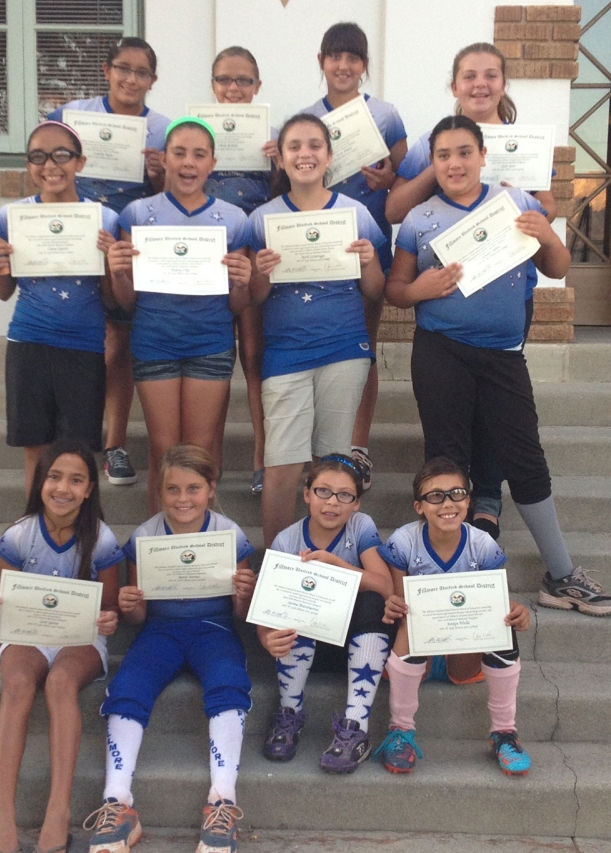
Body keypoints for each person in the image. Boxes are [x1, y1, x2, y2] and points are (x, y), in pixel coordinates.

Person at [385, 114, 611, 616]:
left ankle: (561, 574)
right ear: (433, 162)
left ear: (483, 156)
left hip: (504, 358)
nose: (454, 163)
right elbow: (395, 290)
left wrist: (548, 237)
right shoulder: (420, 219)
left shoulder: (517, 202)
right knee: (447, 460)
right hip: (441, 352)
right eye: (443, 155)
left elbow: (556, 268)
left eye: (464, 152)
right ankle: (449, 579)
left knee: (525, 458)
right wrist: (420, 289)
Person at [385, 42, 557, 537]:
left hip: (508, 289)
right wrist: (443, 166)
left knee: (496, 409)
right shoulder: (430, 144)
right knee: (456, 411)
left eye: (490, 75)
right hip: (450, 296)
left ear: (503, 83)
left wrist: (507, 195)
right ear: (454, 85)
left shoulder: (525, 139)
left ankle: (487, 498)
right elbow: (397, 209)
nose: (479, 84)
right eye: (468, 75)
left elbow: (546, 207)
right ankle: (460, 510)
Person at [82, 444, 256, 853]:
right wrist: (131, 605)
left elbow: (242, 613)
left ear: (211, 489)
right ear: (160, 492)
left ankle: (223, 801)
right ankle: (117, 801)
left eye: (193, 488)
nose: (183, 499)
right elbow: (138, 617)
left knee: (229, 683)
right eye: (173, 490)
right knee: (129, 687)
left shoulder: (229, 533)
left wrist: (243, 593)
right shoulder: (146, 535)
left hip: (214, 627)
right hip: (160, 630)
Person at [0, 440, 121, 853]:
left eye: (76, 480)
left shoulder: (102, 538)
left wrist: (110, 617)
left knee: (60, 684)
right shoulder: (20, 535)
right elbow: (9, 601)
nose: (63, 488)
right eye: (54, 477)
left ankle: (58, 811)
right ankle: (3, 815)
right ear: (40, 482)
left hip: (80, 639)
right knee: (19, 682)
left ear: (90, 489)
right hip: (29, 635)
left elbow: (110, 610)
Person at [249, 113, 385, 547]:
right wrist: (262, 273)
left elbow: (376, 289)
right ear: (281, 158)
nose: (304, 154)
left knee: (333, 468)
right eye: (294, 146)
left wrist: (368, 262)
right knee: (283, 465)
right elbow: (253, 299)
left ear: (328, 156)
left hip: (344, 349)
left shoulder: (355, 213)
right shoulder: (263, 219)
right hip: (286, 353)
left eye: (314, 146)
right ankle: (276, 563)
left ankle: (330, 565)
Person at [107, 117, 252, 511]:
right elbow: (127, 301)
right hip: (155, 342)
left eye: (199, 154)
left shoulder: (233, 218)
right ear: (164, 160)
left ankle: (202, 540)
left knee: (199, 452)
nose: (189, 163)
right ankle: (160, 547)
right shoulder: (137, 214)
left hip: (211, 342)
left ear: (212, 163)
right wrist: (118, 271)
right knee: (164, 451)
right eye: (180, 153)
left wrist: (242, 282)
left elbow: (237, 305)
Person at [48, 37, 171, 486]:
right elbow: (47, 161)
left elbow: (169, 200)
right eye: (123, 68)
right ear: (107, 70)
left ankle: (114, 445)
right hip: (74, 242)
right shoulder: (72, 118)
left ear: (152, 80)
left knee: (118, 347)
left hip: (126, 247)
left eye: (141, 73)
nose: (131, 79)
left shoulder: (162, 129)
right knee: (83, 344)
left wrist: (159, 177)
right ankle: (74, 440)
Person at [375, 457, 532, 776]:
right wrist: (391, 604)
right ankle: (400, 730)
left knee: (501, 621)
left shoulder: (482, 543)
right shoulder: (405, 540)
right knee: (409, 615)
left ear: (469, 500)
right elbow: (399, 602)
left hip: (462, 656)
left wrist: (516, 611)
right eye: (435, 496)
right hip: (413, 654)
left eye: (456, 493)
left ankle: (504, 733)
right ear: (419, 506)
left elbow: (494, 599)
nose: (447, 503)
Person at [0, 120, 119, 495]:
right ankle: (34, 536)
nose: (50, 165)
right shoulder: (13, 217)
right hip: (29, 341)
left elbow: (112, 299)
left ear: (80, 161)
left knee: (78, 454)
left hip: (84, 346)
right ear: (28, 165)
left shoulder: (104, 219)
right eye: (38, 156)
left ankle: (80, 537)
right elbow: (2, 291)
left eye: (62, 154)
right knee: (36, 449)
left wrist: (111, 265)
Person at [302, 22, 408, 487]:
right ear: (322, 61)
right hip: (317, 250)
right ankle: (322, 449)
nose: (343, 65)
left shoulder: (384, 114)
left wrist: (390, 183)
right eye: (335, 56)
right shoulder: (306, 117)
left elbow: (408, 177)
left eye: (353, 58)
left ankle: (358, 447)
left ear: (364, 65)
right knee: (323, 347)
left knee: (363, 348)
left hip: (368, 245)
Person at [256, 454, 395, 774]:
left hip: (357, 646)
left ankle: (355, 727)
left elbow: (387, 587)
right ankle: (289, 712)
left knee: (371, 600)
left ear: (357, 503)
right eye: (323, 491)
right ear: (306, 493)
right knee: (295, 600)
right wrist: (266, 638)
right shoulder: (286, 539)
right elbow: (266, 605)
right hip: (305, 648)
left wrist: (338, 566)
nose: (332, 502)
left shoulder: (360, 526)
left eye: (345, 495)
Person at [206, 46, 279, 494]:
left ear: (257, 86)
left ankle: (261, 457)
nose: (233, 89)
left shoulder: (270, 135)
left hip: (251, 253)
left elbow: (285, 197)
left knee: (254, 356)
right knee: (214, 360)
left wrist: (278, 164)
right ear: (212, 84)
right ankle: (204, 464)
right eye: (224, 80)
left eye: (243, 81)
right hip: (203, 258)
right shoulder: (191, 132)